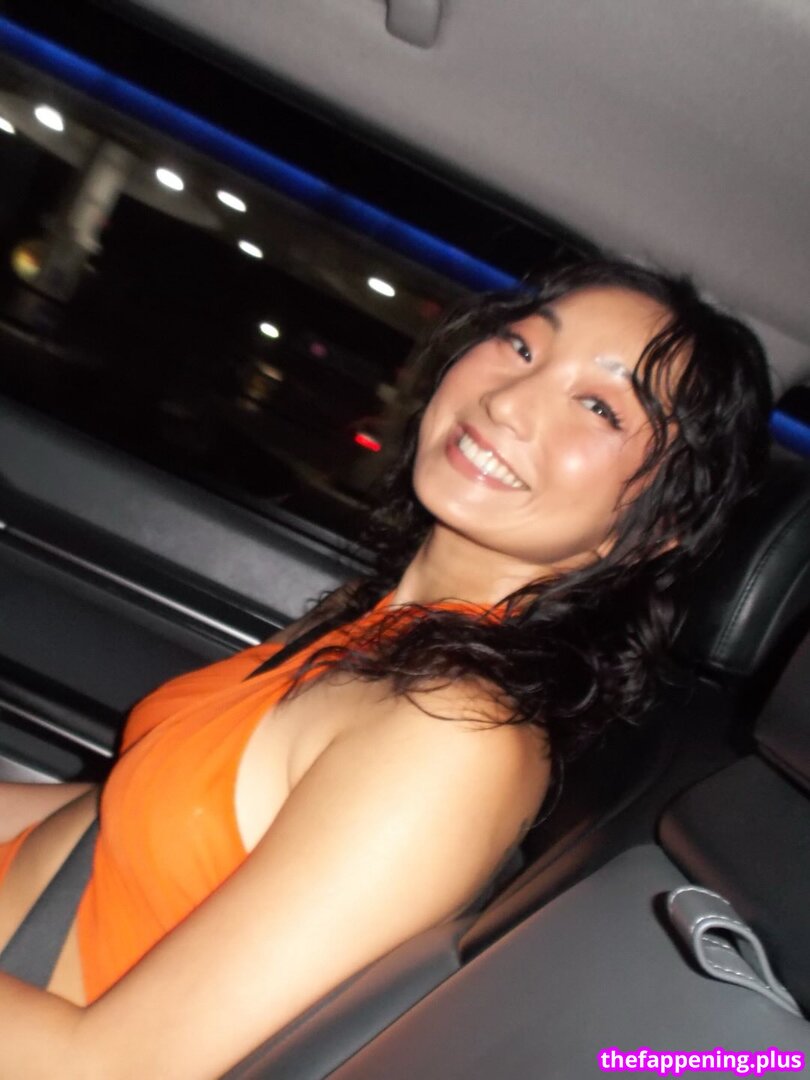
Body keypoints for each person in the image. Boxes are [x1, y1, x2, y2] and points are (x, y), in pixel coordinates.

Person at [0, 257, 772, 1078]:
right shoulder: (378, 630)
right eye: (521, 346)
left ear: (657, 524)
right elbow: (135, 811)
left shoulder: (450, 739)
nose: (508, 401)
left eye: (599, 406)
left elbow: (110, 1069)